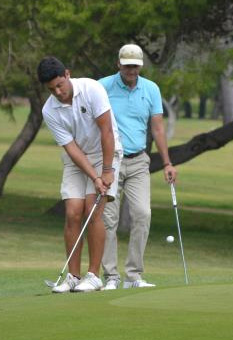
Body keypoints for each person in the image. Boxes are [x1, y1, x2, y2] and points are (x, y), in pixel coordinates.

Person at [37, 56, 123, 293]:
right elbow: (72, 149)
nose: (58, 92)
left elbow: (107, 131)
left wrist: (105, 171)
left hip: (105, 152)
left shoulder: (91, 89)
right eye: (51, 89)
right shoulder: (49, 110)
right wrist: (93, 177)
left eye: (59, 85)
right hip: (77, 159)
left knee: (92, 211)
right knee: (73, 212)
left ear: (67, 74)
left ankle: (94, 276)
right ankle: (73, 276)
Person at [99, 44, 177, 289]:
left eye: (135, 66)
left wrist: (166, 162)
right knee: (108, 219)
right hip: (110, 163)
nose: (131, 70)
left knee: (143, 214)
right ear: (118, 64)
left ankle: (133, 276)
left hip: (139, 161)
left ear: (140, 65)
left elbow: (157, 128)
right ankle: (111, 276)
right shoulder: (102, 86)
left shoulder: (151, 89)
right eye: (127, 65)